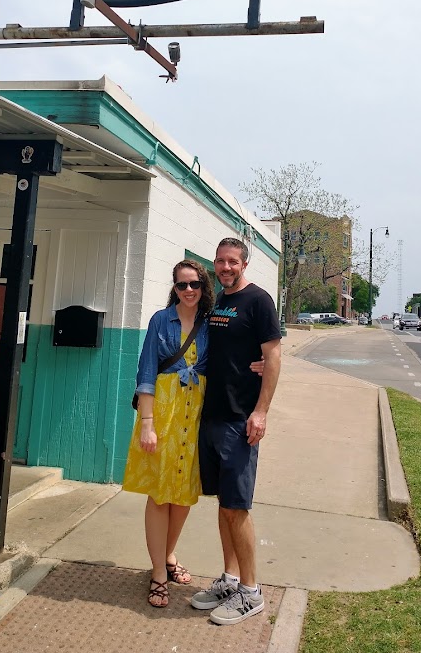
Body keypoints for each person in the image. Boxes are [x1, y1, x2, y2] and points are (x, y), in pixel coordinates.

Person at [123, 257, 263, 608]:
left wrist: (261, 363)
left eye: (194, 284)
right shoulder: (160, 320)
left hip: (197, 414)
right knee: (159, 494)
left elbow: (232, 352)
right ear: (174, 288)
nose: (188, 290)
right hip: (164, 414)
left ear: (204, 287)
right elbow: (146, 373)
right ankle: (158, 573)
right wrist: (148, 424)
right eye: (182, 284)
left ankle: (169, 556)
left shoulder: (210, 322)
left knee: (183, 494)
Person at [190, 238, 282, 625]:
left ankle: (251, 591)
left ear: (245, 263)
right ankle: (230, 580)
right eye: (220, 261)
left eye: (233, 261)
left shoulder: (258, 301)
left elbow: (274, 355)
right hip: (211, 416)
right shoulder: (219, 303)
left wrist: (261, 412)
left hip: (240, 419)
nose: (226, 267)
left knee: (237, 506)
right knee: (223, 505)